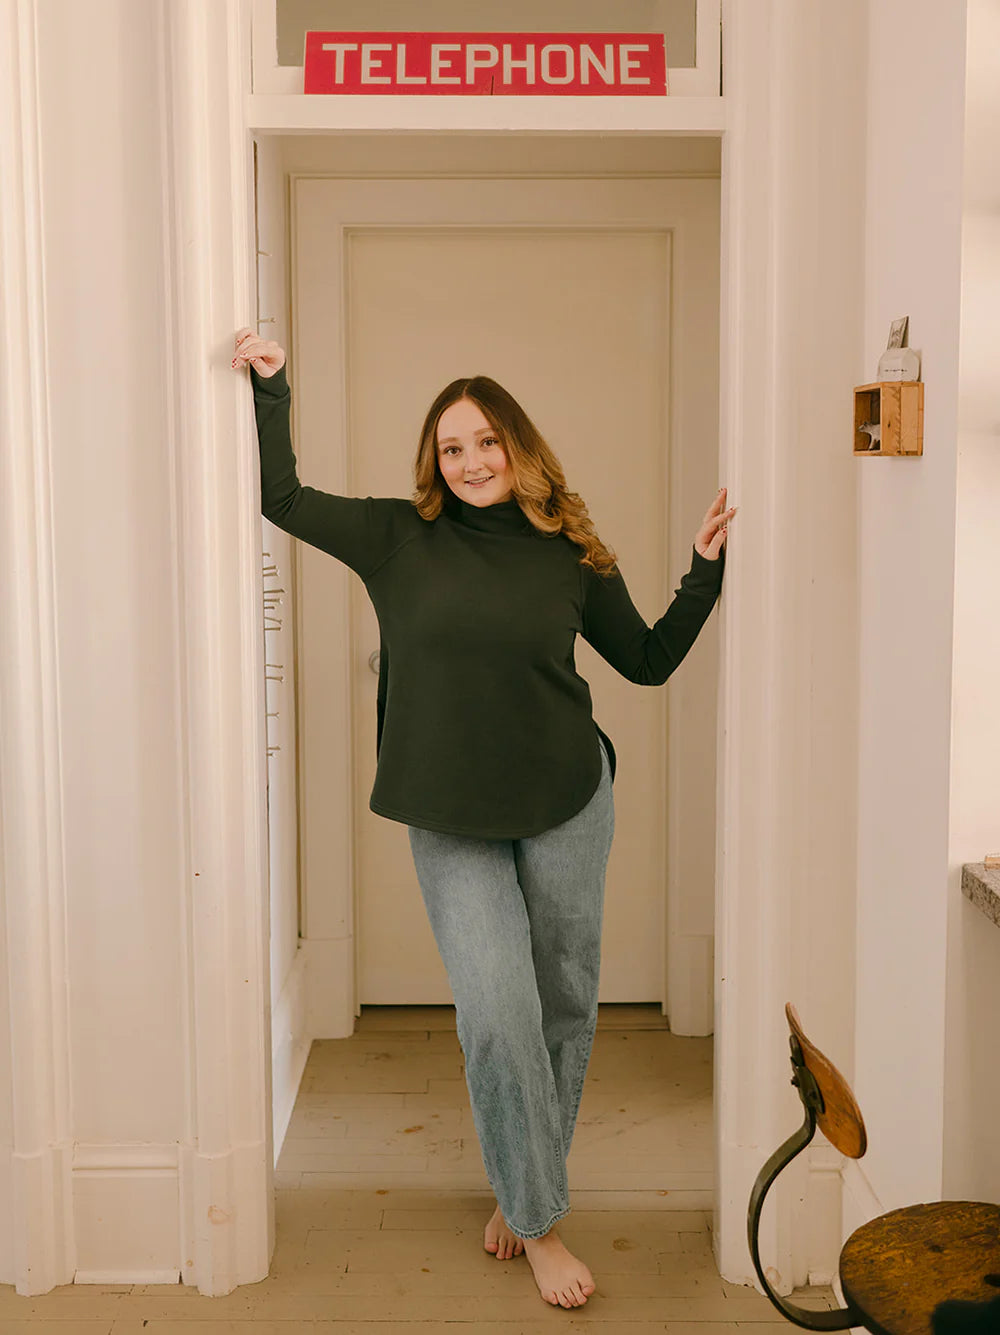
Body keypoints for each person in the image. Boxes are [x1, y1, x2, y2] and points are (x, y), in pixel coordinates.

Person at [233, 326, 735, 1310]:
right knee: (499, 1015)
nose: (470, 461)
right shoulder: (396, 536)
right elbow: (280, 498)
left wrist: (703, 571)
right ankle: (542, 1223)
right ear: (434, 459)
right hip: (449, 808)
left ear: (518, 445)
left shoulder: (569, 552)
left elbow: (645, 661)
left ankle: (522, 1187)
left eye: (486, 442)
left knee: (561, 1004)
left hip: (567, 796)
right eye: (451, 446)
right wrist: (273, 386)